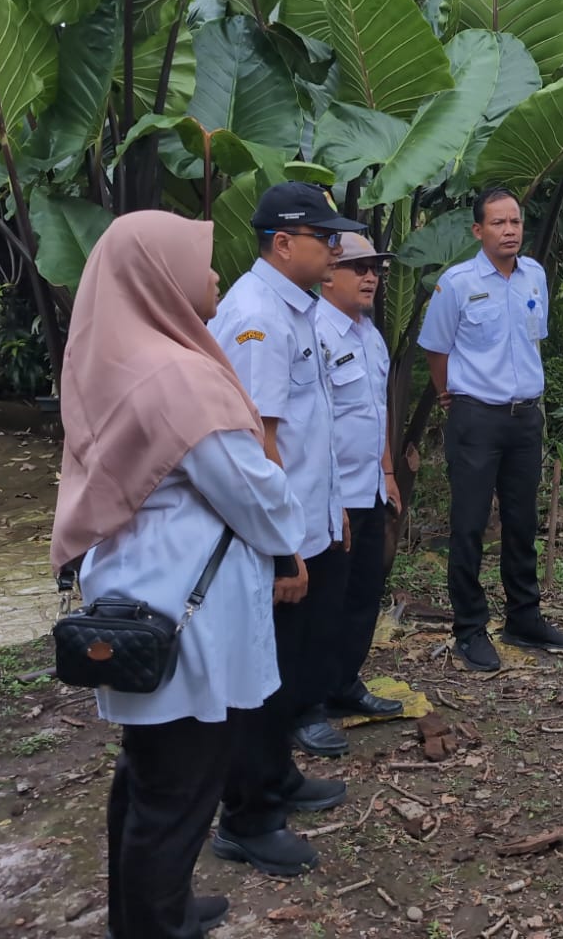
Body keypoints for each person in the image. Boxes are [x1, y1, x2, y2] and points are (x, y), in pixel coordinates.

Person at [50, 212, 308, 939]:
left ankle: (149, 911)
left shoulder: (120, 358)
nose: (218, 274)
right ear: (160, 276)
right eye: (202, 262)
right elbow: (256, 494)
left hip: (140, 596)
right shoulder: (180, 379)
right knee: (176, 793)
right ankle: (155, 925)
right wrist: (288, 507)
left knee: (148, 779)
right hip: (184, 613)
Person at [209, 181, 366, 875]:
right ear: (282, 244)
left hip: (308, 525)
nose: (335, 249)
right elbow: (259, 440)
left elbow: (312, 432)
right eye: (322, 238)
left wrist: (329, 521)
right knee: (258, 682)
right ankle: (246, 817)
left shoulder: (295, 309)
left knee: (288, 673)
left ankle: (277, 778)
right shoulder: (256, 317)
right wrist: (280, 549)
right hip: (276, 535)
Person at [417, 187, 563, 672]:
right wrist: (451, 396)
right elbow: (435, 348)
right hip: (476, 417)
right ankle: (469, 628)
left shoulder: (534, 276)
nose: (510, 231)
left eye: (516, 222)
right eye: (499, 223)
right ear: (478, 231)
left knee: (521, 522)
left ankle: (523, 618)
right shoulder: (457, 283)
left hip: (525, 416)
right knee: (468, 526)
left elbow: (532, 342)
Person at [306, 232, 405, 753]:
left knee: (364, 594)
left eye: (376, 268)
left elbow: (375, 413)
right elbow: (311, 424)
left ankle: (344, 684)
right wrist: (328, 498)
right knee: (323, 601)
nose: (371, 277)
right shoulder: (314, 332)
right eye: (358, 267)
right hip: (331, 494)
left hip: (368, 488)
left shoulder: (369, 335)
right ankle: (305, 704)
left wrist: (388, 474)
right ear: (327, 274)